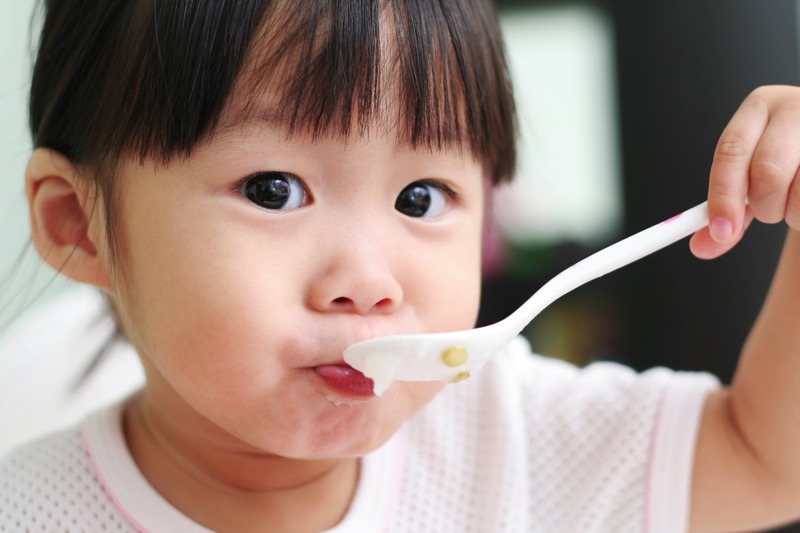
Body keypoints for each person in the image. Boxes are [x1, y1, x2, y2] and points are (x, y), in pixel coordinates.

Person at [2, 0, 800, 531]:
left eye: (420, 198)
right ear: (81, 225)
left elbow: (766, 458)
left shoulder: (508, 434)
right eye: (274, 190)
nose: (371, 280)